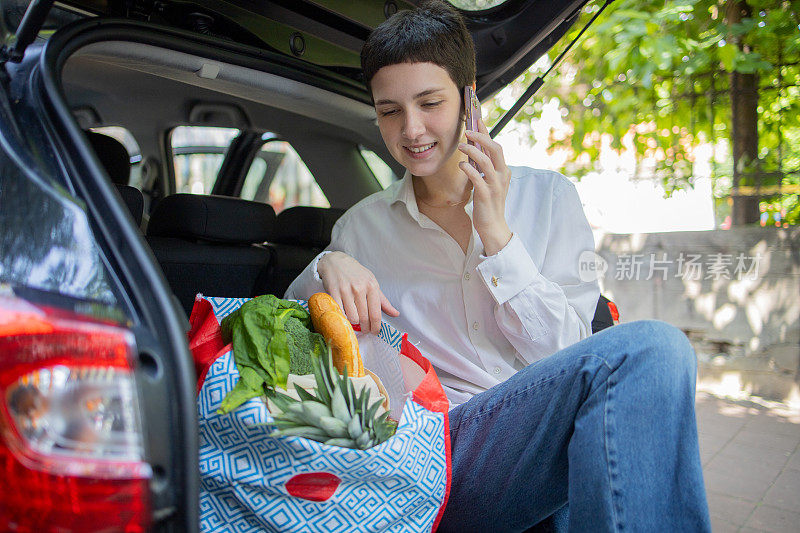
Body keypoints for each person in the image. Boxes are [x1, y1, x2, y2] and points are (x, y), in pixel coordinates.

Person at [286, 2, 711, 531]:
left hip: (534, 437)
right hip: (436, 452)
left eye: (429, 103)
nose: (411, 129)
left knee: (656, 351)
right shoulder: (360, 229)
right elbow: (287, 333)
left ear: (469, 102)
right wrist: (330, 263)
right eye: (389, 110)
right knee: (654, 349)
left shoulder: (551, 198)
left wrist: (499, 238)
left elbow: (570, 355)